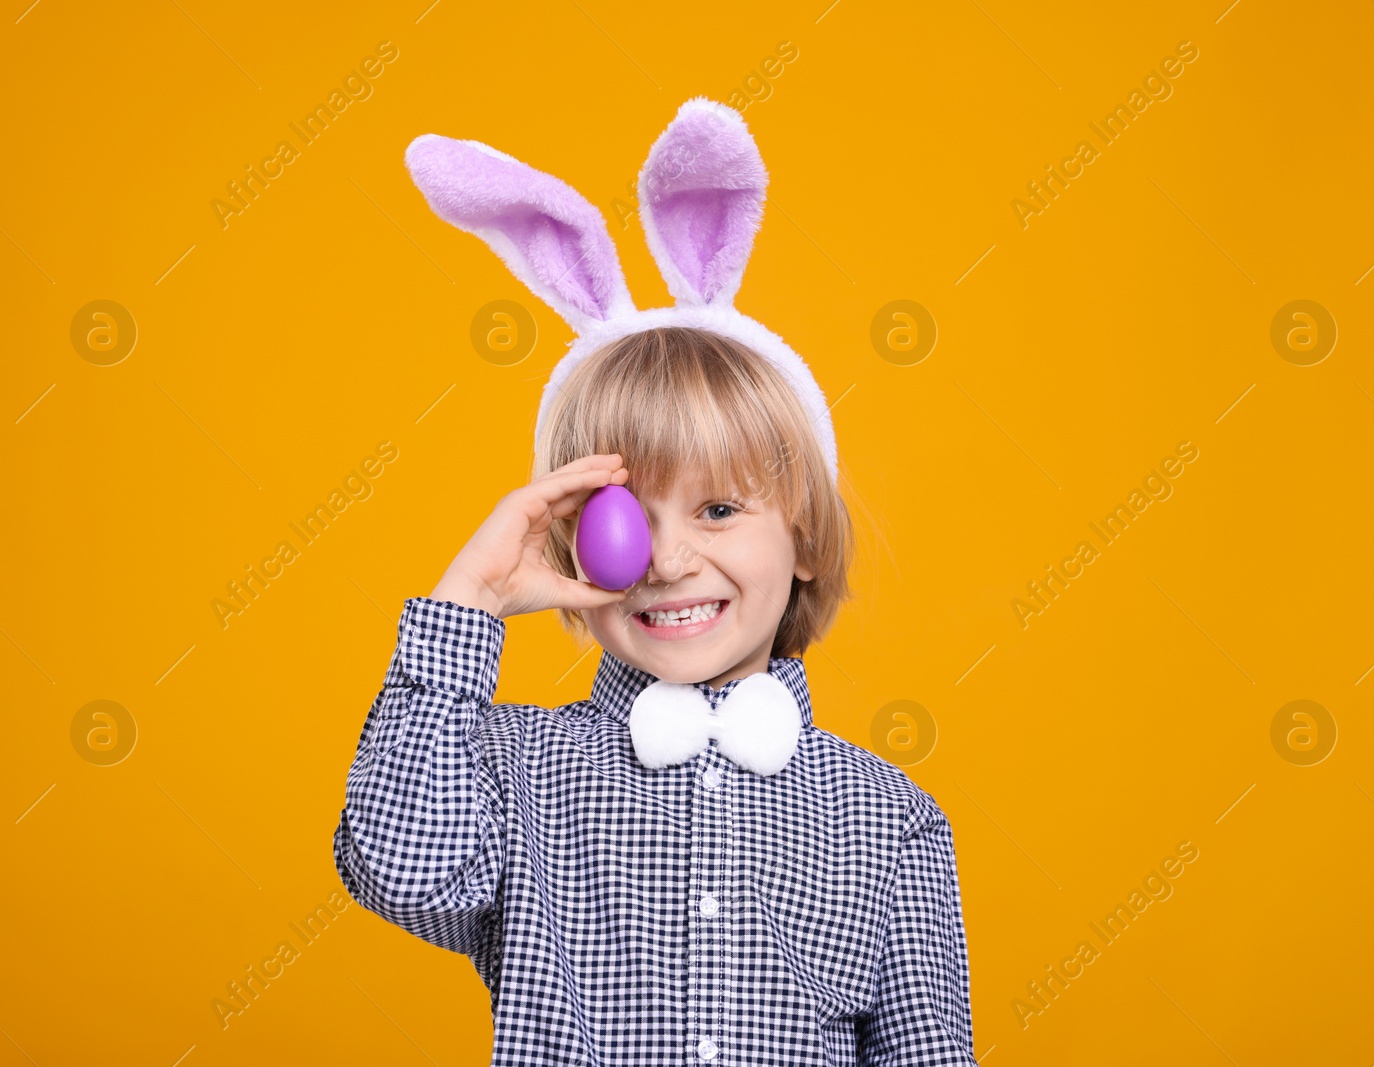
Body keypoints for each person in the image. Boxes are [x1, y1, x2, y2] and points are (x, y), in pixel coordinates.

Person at [333, 97, 978, 1066]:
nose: (669, 560)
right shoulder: (511, 766)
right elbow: (405, 873)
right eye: (624, 519)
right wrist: (463, 609)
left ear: (803, 537)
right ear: (569, 543)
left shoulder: (888, 815)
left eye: (718, 510)